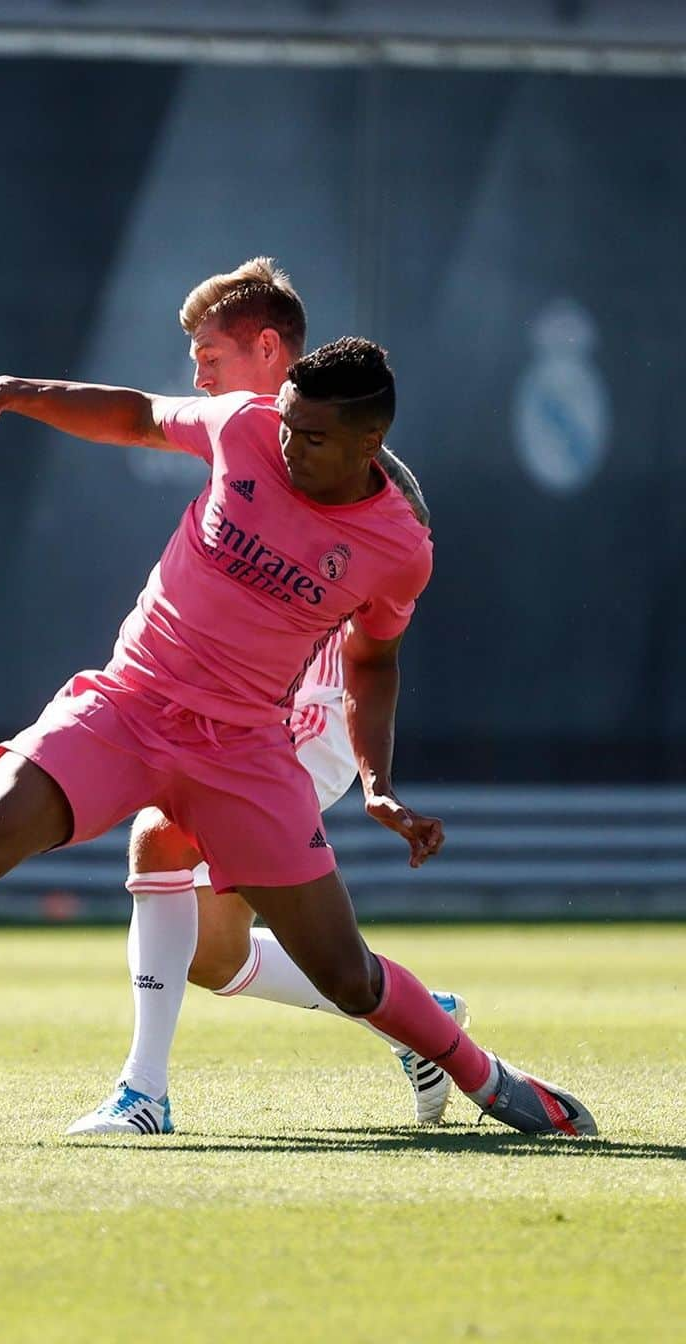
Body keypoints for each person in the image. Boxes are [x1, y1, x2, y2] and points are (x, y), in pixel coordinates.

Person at [0, 335, 596, 1139]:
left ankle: (490, 1080)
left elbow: (374, 664)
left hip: (246, 752)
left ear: (369, 445)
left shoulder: (399, 549)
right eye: (288, 424)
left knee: (348, 980)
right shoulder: (250, 426)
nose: (287, 444)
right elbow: (138, 415)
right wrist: (9, 391)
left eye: (314, 439)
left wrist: (377, 780)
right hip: (129, 705)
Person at [65, 259, 468, 1138]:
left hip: (296, 719)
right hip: (230, 710)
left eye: (209, 357)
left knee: (159, 837)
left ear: (270, 349)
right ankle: (417, 1019)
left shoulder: (372, 478)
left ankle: (143, 1094)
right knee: (209, 954)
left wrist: (372, 771)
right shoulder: (251, 441)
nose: (198, 377)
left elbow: (374, 641)